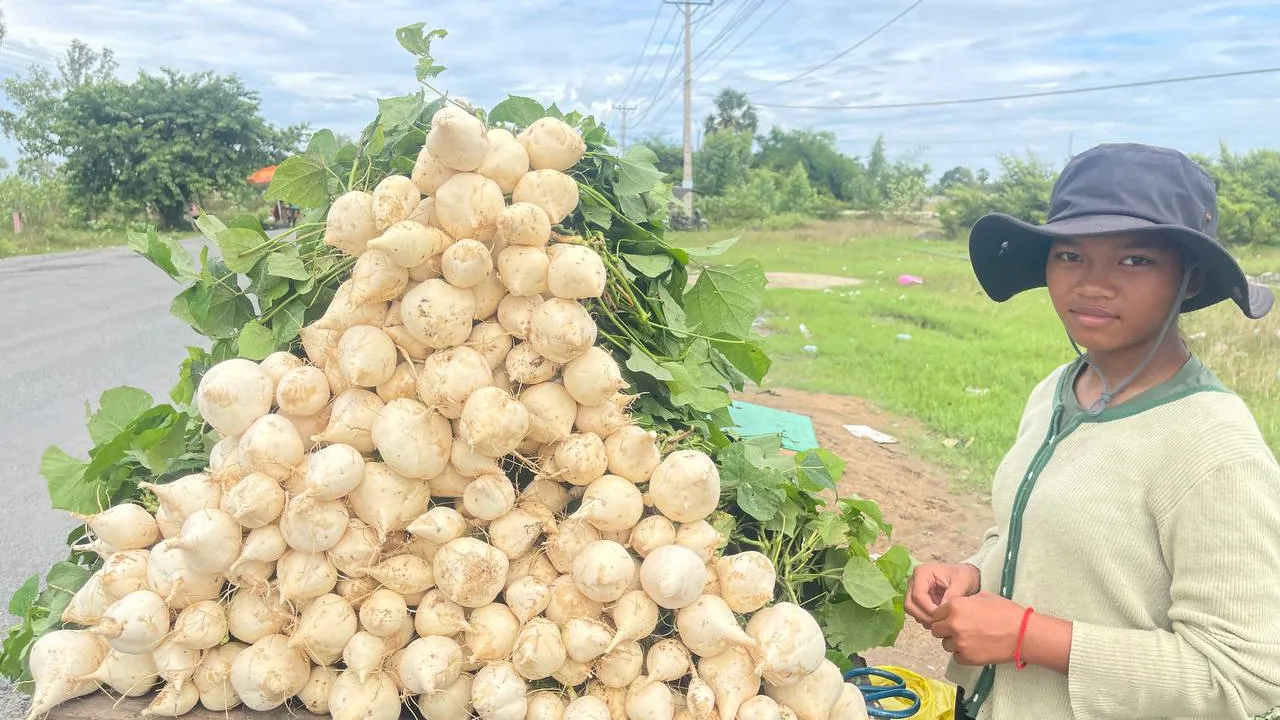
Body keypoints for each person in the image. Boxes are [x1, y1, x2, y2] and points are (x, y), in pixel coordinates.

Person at [904, 142, 1280, 720]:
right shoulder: (1060, 388)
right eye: (1071, 255)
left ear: (1191, 276)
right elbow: (1053, 535)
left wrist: (1030, 635)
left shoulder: (1213, 449)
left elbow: (1247, 680)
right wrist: (975, 572)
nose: (1093, 284)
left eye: (1135, 260)